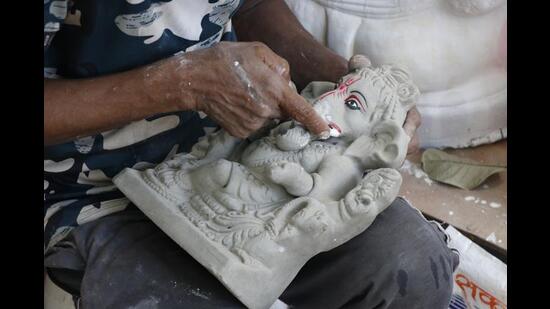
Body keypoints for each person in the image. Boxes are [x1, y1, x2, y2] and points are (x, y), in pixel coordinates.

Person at [44, 0, 458, 308]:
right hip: (91, 188)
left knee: (412, 262)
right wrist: (184, 84)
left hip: (237, 148)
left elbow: (251, 4)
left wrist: (347, 86)